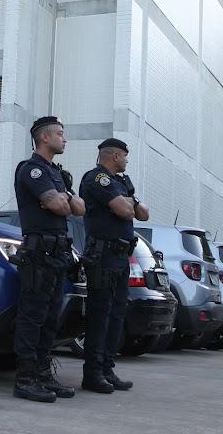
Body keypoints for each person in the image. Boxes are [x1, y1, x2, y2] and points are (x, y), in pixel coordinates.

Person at [12, 116, 85, 403]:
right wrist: (60, 200)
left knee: (51, 319)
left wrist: (62, 197)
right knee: (33, 318)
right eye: (60, 134)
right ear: (44, 137)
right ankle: (26, 379)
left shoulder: (56, 174)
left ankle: (43, 375)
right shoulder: (31, 170)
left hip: (58, 256)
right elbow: (58, 205)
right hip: (38, 255)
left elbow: (76, 207)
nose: (64, 139)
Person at [78, 138, 149, 394]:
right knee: (100, 314)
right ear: (115, 156)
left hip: (121, 257)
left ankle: (107, 369)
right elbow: (126, 211)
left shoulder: (120, 183)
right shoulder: (97, 179)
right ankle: (93, 373)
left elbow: (144, 214)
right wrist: (128, 203)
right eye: (125, 156)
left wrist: (128, 202)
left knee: (117, 314)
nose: (127, 161)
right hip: (103, 255)